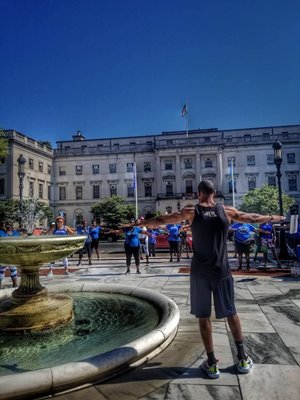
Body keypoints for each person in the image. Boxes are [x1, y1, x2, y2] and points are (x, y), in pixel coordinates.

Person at [141, 180, 284, 378]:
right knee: (231, 312)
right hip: (222, 270)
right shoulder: (227, 210)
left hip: (200, 272)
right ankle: (242, 358)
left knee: (203, 316)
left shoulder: (191, 211)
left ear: (199, 194)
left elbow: (164, 220)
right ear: (214, 193)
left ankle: (211, 363)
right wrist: (273, 217)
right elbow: (251, 217)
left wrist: (141, 223)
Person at [0, 220, 19, 289]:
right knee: (1, 271)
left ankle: (15, 285)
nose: (9, 226)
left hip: (12, 255)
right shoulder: (1, 233)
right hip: (3, 255)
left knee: (13, 269)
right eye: (7, 225)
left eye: (10, 225)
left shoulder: (15, 233)